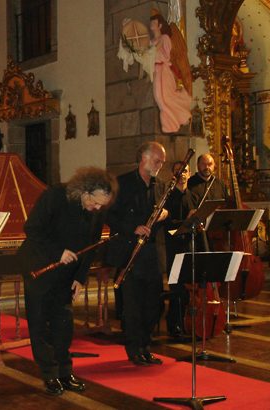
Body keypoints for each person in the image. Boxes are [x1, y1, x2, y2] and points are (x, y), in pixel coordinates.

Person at [19, 167, 115, 396]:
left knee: (64, 324)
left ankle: (64, 370)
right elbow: (32, 229)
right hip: (39, 267)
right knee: (40, 323)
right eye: (95, 202)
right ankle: (49, 374)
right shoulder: (55, 196)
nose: (98, 208)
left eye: (103, 205)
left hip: (67, 273)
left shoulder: (96, 210)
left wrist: (80, 279)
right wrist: (58, 252)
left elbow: (90, 247)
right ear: (84, 191)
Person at [106, 141, 169, 366]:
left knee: (153, 302)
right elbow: (109, 215)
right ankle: (134, 348)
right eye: (157, 160)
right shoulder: (122, 183)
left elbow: (163, 215)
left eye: (162, 161)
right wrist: (132, 227)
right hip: (129, 251)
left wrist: (163, 216)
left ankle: (146, 345)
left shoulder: (160, 185)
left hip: (151, 253)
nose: (160, 165)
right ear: (143, 158)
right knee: (132, 304)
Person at [163, 161, 193, 339]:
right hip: (174, 248)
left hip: (189, 246)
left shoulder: (192, 195)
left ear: (189, 174)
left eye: (185, 171)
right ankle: (174, 325)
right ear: (173, 175)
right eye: (178, 171)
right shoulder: (169, 197)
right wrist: (186, 222)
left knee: (189, 289)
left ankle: (187, 323)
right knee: (177, 288)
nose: (182, 174)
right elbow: (166, 224)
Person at [150, 13, 192, 133]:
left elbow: (166, 55)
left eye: (154, 22)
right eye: (151, 22)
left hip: (164, 70)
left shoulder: (165, 38)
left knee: (165, 97)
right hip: (155, 70)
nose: (151, 25)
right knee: (159, 98)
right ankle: (171, 123)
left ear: (160, 25)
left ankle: (173, 123)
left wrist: (152, 51)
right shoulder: (152, 41)